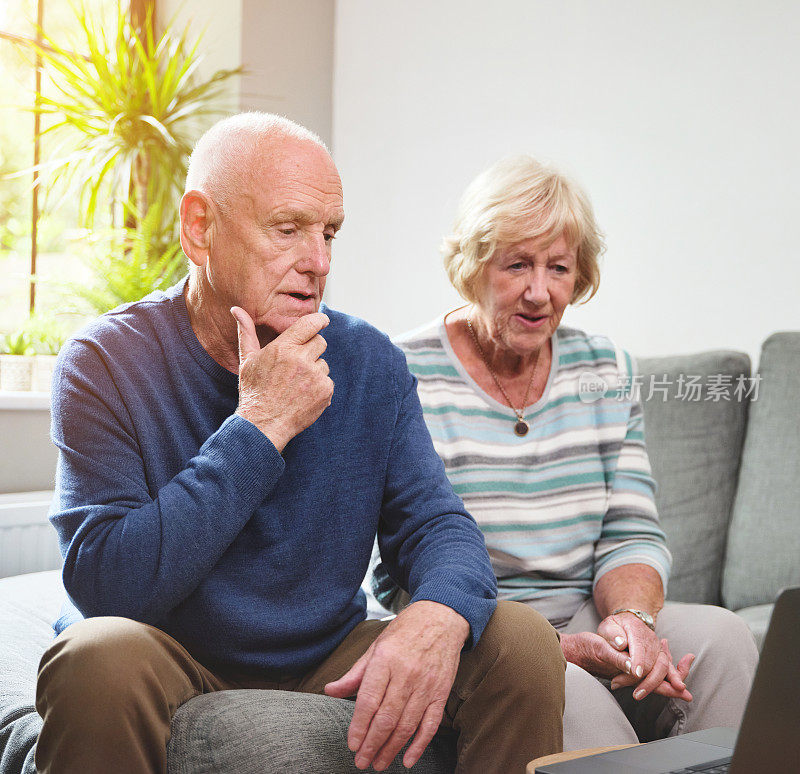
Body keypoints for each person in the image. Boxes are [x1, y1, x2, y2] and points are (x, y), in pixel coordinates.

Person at [35, 115, 566, 774]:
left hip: (328, 656)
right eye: (287, 229)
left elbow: (437, 524)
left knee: (521, 639)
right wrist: (260, 426)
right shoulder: (107, 360)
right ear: (199, 227)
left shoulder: (367, 360)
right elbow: (106, 585)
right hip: (172, 654)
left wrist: (438, 610)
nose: (318, 261)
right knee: (96, 656)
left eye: (330, 233)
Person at [372, 154, 759, 749]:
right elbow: (399, 566)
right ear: (473, 266)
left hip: (585, 609)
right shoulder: (401, 371)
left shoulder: (604, 368)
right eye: (518, 265)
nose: (539, 292)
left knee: (726, 641)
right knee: (569, 691)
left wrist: (631, 619)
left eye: (558, 268)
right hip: (478, 627)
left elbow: (630, 532)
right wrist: (554, 646)